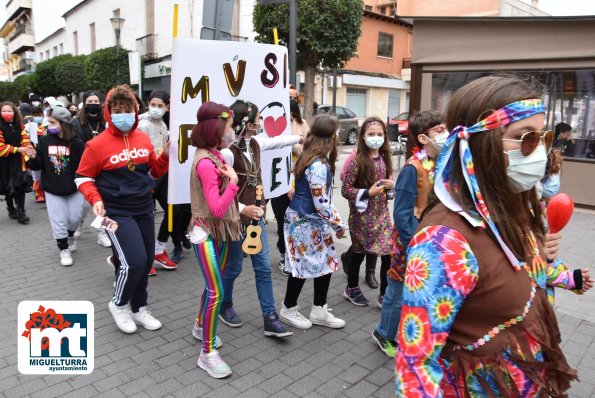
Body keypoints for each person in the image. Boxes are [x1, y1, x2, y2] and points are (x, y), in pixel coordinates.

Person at [395, 75, 577, 396]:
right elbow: (416, 369)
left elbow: (526, 278)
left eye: (543, 137)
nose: (540, 151)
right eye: (525, 137)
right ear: (481, 142)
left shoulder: (518, 204)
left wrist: (560, 272)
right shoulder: (443, 241)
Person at [75, 84, 169, 335]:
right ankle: (118, 304)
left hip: (143, 208)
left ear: (135, 111)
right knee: (134, 262)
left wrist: (167, 156)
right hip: (115, 213)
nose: (123, 115)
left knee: (147, 260)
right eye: (117, 110)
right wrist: (94, 198)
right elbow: (82, 178)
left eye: (127, 109)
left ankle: (139, 307)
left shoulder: (142, 138)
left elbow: (153, 172)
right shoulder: (96, 144)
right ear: (108, 112)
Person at [217, 99, 297, 337]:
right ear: (245, 123)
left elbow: (278, 141)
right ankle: (225, 304)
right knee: (232, 268)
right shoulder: (226, 153)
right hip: (233, 221)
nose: (260, 124)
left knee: (262, 267)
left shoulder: (255, 143)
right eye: (256, 121)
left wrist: (304, 138)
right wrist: (243, 208)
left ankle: (269, 317)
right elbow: (219, 193)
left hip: (257, 218)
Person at [372, 110, 446, 357]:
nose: (445, 134)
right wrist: (415, 246)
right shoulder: (412, 168)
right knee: (396, 291)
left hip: (430, 242)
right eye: (439, 130)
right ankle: (383, 333)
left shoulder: (439, 163)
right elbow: (402, 215)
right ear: (424, 139)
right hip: (410, 244)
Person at [188, 101, 243, 378]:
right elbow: (218, 208)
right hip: (206, 233)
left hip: (217, 232)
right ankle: (207, 353)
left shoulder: (213, 154)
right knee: (217, 292)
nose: (231, 132)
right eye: (229, 127)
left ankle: (200, 326)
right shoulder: (206, 162)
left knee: (214, 286)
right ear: (216, 128)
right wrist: (233, 181)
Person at [279, 114, 347, 330]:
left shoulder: (310, 157)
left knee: (324, 263)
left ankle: (319, 308)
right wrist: (339, 225)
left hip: (307, 220)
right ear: (331, 138)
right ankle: (288, 308)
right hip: (306, 222)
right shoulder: (318, 164)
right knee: (302, 264)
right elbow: (322, 203)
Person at [342, 117, 395, 308]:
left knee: (388, 253)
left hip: (382, 216)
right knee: (359, 252)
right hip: (361, 217)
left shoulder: (385, 158)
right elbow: (345, 189)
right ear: (363, 137)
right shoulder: (357, 161)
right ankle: (352, 288)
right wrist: (367, 192)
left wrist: (391, 187)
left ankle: (384, 295)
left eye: (379, 134)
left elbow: (389, 192)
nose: (376, 138)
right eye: (371, 134)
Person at [27, 107, 85, 266]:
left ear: (63, 123)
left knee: (74, 218)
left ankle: (71, 235)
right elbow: (38, 163)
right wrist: (32, 157)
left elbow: (83, 166)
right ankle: (63, 249)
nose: (48, 124)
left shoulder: (77, 143)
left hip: (73, 189)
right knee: (58, 221)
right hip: (52, 189)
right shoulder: (45, 141)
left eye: (52, 122)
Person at [137, 90, 179, 275]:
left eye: (160, 106)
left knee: (173, 209)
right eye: (153, 105)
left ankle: (158, 249)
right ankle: (142, 258)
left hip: (162, 173)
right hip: (145, 175)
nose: (156, 108)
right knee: (145, 217)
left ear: (166, 107)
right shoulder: (140, 124)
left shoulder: (163, 122)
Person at [271, 99, 309, 276]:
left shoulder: (303, 125)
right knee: (281, 220)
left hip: (298, 178)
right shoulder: (272, 125)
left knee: (297, 220)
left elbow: (307, 151)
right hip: (278, 179)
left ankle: (296, 254)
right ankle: (283, 255)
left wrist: (293, 145)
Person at [72, 90, 111, 248]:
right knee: (84, 206)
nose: (93, 105)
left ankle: (102, 234)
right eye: (90, 102)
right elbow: (74, 143)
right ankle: (79, 224)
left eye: (96, 102)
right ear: (84, 104)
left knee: (104, 203)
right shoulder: (76, 122)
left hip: (104, 168)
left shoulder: (106, 121)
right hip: (86, 167)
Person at [0, 101, 32, 224]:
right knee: (8, 185)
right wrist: (16, 149)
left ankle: (21, 211)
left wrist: (27, 147)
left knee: (20, 184)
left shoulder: (19, 124)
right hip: (4, 161)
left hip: (18, 160)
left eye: (9, 110)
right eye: (4, 111)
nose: (7, 113)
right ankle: (11, 208)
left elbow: (25, 138)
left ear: (14, 112)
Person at [25, 106, 47, 203]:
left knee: (47, 172)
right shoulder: (29, 126)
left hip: (46, 152)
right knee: (37, 174)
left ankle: (48, 191)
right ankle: (39, 193)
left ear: (42, 115)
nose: (37, 117)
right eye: (35, 115)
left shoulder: (47, 125)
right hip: (35, 152)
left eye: (39, 115)